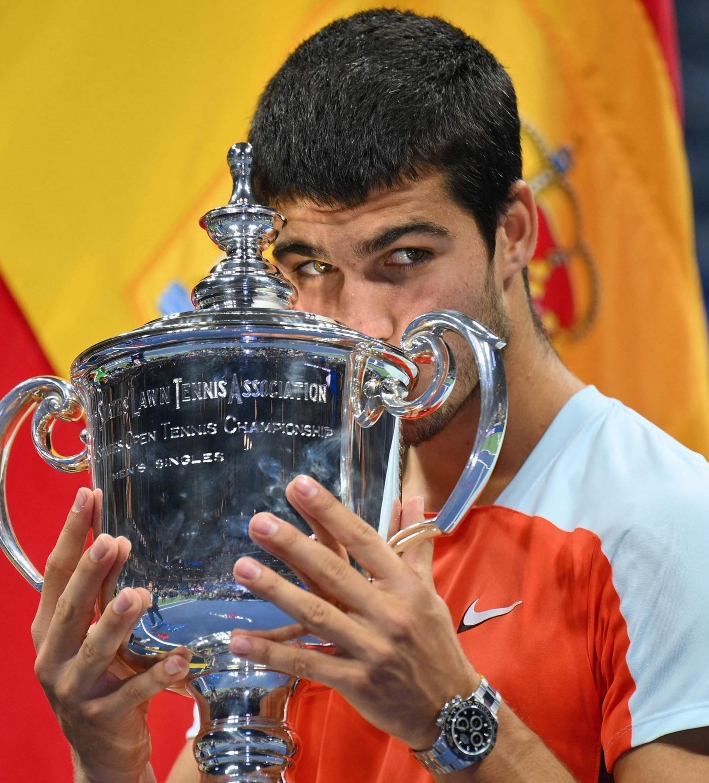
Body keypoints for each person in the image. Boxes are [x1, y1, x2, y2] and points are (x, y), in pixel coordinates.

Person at [30, 9, 709, 783]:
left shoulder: (668, 521)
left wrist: (451, 717)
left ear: (514, 232)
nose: (359, 324)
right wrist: (108, 762)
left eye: (404, 257)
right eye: (310, 267)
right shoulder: (306, 527)